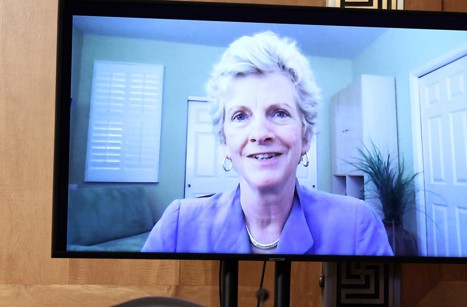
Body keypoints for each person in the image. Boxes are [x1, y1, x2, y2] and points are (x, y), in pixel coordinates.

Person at [143, 31, 393, 256]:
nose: (260, 134)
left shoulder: (357, 226)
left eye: (279, 113)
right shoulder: (177, 227)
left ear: (305, 137)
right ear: (224, 143)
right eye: (240, 116)